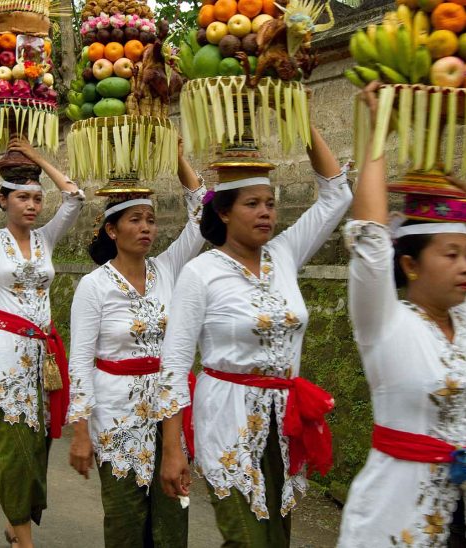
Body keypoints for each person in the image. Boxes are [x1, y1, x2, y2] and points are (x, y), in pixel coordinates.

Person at [157, 121, 352, 547]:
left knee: (275, 537)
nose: (265, 212)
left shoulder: (283, 255)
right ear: (224, 211)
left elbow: (337, 195)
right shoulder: (200, 273)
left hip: (285, 421)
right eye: (252, 204)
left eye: (270, 203)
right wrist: (174, 449)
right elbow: (173, 365)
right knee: (245, 536)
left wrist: (300, 118)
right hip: (226, 418)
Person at [337, 84, 466, 547]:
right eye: (451, 254)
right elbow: (369, 239)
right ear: (410, 264)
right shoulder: (383, 321)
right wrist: (378, 131)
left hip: (465, 514)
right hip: (391, 518)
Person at [67, 142, 205, 547]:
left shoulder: (167, 268)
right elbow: (80, 364)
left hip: (168, 412)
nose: (146, 228)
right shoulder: (94, 287)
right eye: (135, 220)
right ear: (112, 230)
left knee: (171, 519)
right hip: (116, 417)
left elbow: (201, 215)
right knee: (126, 521)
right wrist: (80, 432)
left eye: (151, 220)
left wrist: (177, 158)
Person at [0, 101, 84, 548]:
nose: (32, 205)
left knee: (36, 445)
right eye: (22, 197)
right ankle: (23, 537)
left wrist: (36, 158)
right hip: (2, 355)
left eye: (36, 199)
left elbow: (75, 197)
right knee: (13, 444)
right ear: (3, 200)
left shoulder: (45, 239)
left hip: (43, 356)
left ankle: (18, 522)